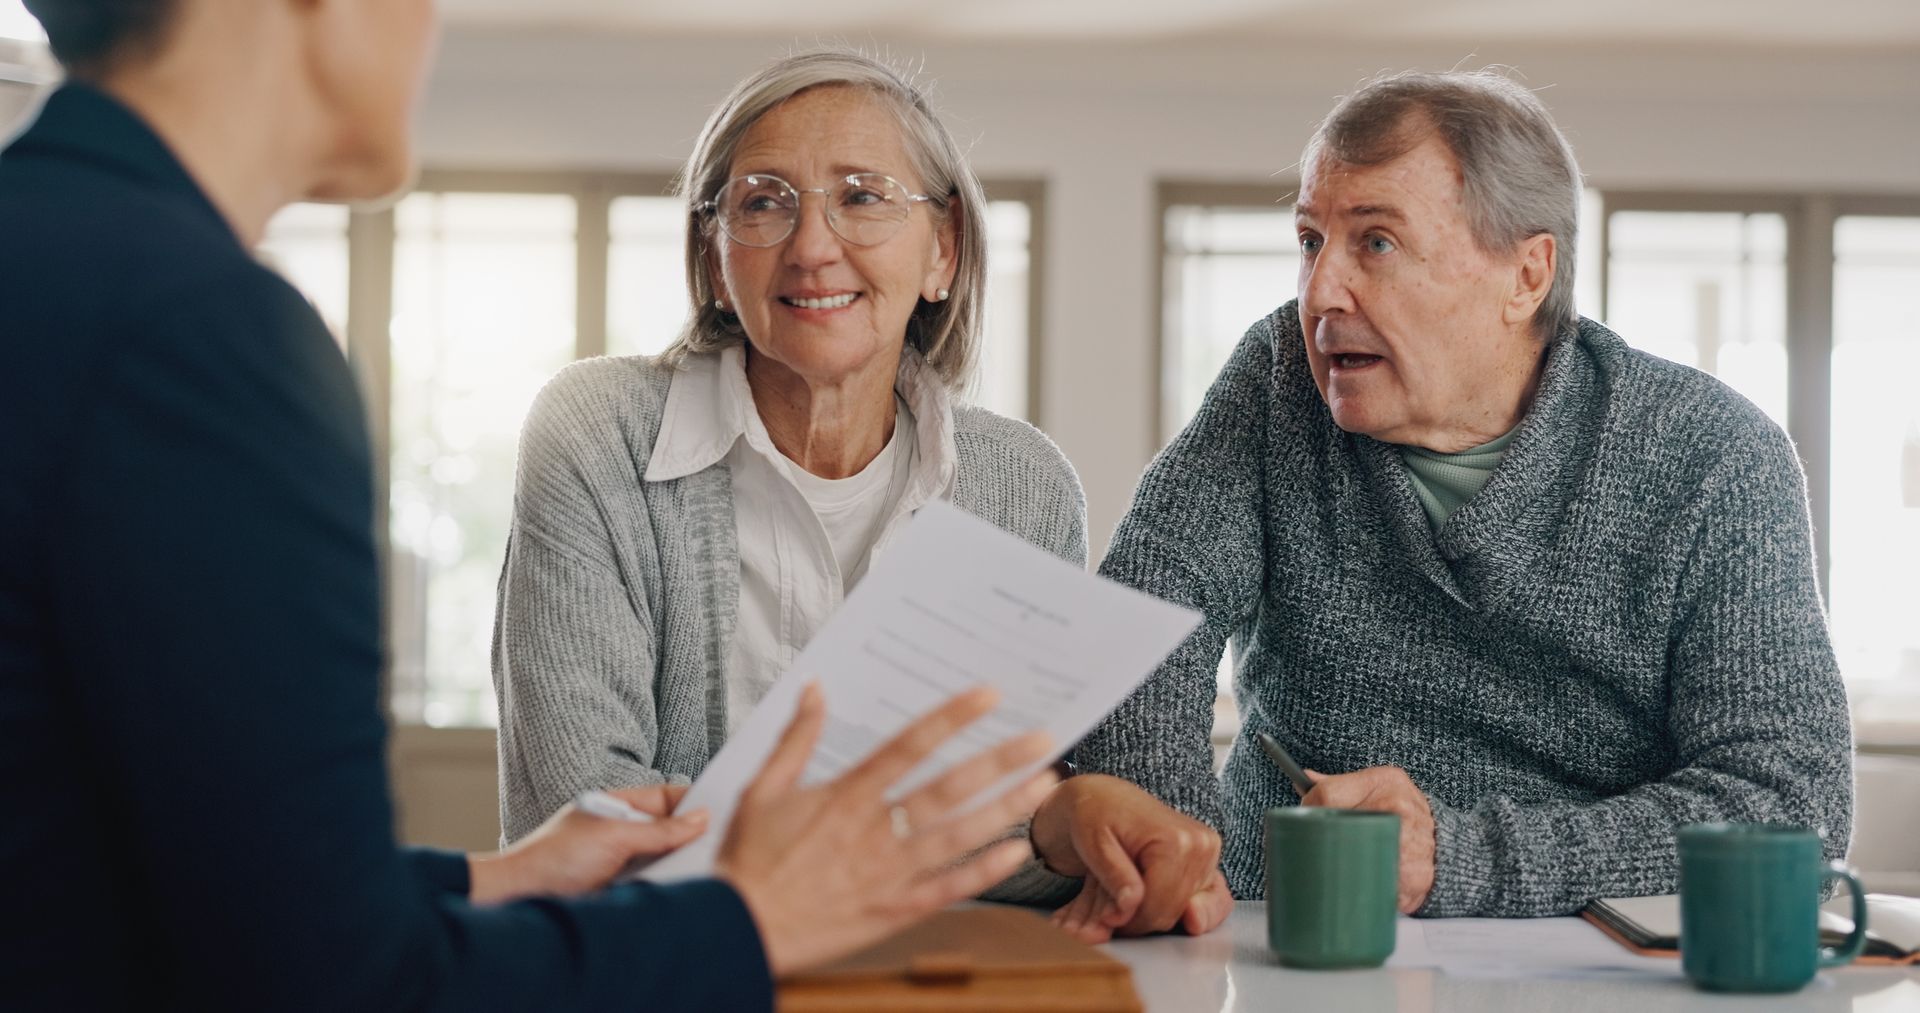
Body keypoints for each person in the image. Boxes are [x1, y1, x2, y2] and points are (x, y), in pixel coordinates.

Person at [0, 1, 1060, 1009]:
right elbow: (331, 984)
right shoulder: (201, 334)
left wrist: (484, 879)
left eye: (864, 196)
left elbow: (180, 873)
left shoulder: (57, 249)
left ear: (945, 248)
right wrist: (747, 919)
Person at [1071, 69, 1854, 918]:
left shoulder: (1714, 455)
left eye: (1375, 242)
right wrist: (1173, 857)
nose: (1321, 291)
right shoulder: (1276, 381)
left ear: (1526, 275)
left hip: (1585, 960)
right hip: (1282, 934)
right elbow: (1135, 631)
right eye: (1309, 241)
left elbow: (1792, 808)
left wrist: (1460, 856)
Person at [490, 49, 1233, 938]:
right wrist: (1026, 826)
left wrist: (1062, 825)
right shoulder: (597, 432)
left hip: (920, 979)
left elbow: (1004, 838)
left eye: (864, 195)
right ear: (715, 254)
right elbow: (588, 822)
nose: (811, 246)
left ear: (944, 249)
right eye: (763, 201)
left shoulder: (1025, 486)